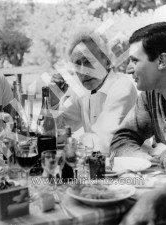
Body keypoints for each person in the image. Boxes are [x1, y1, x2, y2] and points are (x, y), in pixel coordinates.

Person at [110, 22, 166, 173]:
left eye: (135, 60)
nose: (128, 69)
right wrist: (146, 160)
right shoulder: (150, 95)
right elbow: (121, 139)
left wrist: (164, 155)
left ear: (162, 61)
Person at [56, 26, 138, 154]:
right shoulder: (83, 92)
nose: (83, 71)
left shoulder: (122, 87)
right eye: (77, 64)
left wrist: (71, 143)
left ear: (106, 60)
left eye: (88, 61)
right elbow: (57, 132)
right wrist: (52, 102)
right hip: (102, 167)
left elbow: (104, 142)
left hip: (136, 167)